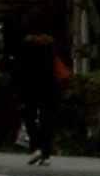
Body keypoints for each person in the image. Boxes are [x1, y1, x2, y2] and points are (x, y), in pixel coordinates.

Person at [9, 9, 66, 166]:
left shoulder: (25, 46)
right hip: (50, 87)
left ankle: (35, 147)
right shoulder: (51, 45)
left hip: (30, 87)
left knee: (28, 116)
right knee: (47, 120)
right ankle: (46, 155)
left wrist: (17, 89)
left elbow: (19, 70)